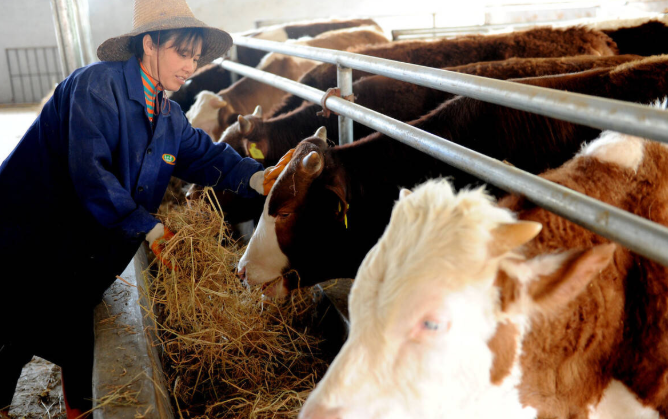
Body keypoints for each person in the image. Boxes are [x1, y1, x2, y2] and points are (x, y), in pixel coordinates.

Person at [0, 0, 267, 417]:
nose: (190, 67)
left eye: (196, 58)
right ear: (149, 44)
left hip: (81, 244)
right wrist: (150, 228)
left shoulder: (169, 113)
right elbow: (91, 172)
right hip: (30, 232)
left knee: (73, 327)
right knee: (12, 325)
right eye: (182, 53)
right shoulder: (95, 87)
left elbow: (207, 154)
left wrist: (257, 178)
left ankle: (80, 408)